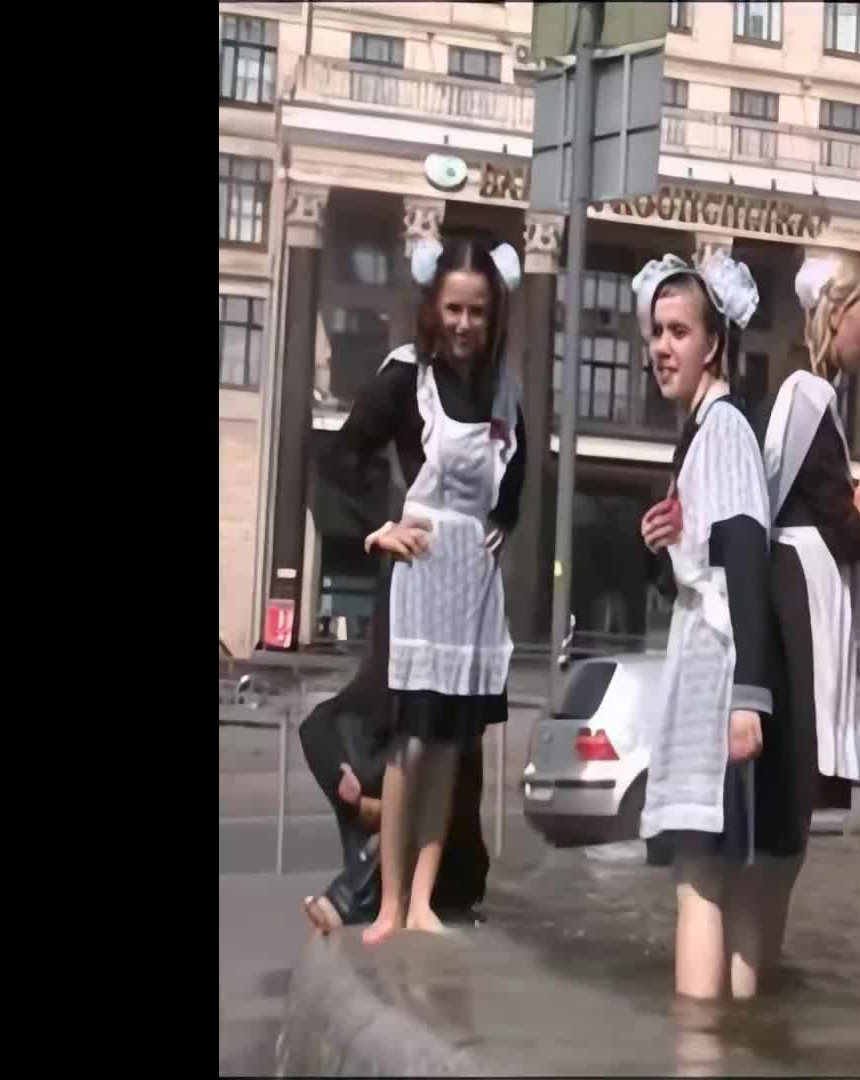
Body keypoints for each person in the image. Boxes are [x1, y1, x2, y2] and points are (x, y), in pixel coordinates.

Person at [323, 235, 527, 946]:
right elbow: (342, 457)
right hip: (418, 571)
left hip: (472, 581)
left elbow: (518, 475)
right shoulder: (405, 377)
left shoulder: (505, 389)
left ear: (494, 314)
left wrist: (501, 523)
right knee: (409, 744)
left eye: (478, 311)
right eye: (454, 309)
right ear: (434, 308)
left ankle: (421, 903)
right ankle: (387, 902)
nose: (465, 324)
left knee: (448, 748)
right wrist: (380, 529)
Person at [754, 252, 860, 970]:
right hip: (801, 594)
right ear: (836, 313)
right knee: (789, 800)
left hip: (806, 590)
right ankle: (756, 960)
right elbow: (848, 532)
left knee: (792, 805)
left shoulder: (810, 397)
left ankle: (760, 963)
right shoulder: (805, 396)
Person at [630, 250, 776, 1001]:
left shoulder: (721, 429)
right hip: (706, 661)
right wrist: (661, 548)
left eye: (679, 332)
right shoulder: (705, 432)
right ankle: (734, 1032)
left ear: (713, 343)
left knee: (699, 874)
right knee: (718, 870)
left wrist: (749, 695)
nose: (662, 347)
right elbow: (706, 560)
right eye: (656, 332)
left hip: (716, 670)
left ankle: (698, 1044)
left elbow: (744, 555)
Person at [297, 582, 489, 934]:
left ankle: (350, 897)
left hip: (446, 874)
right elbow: (314, 729)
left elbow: (456, 812)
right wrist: (351, 792)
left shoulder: (441, 723)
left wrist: (377, 808)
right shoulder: (350, 718)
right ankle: (357, 897)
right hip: (423, 877)